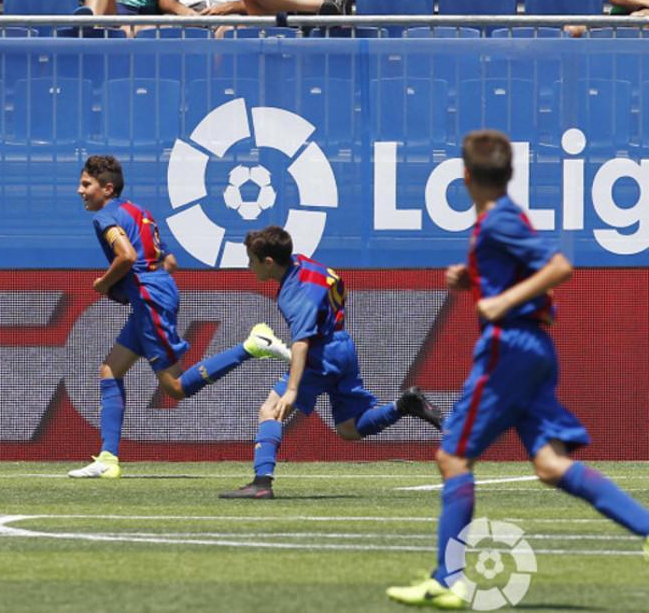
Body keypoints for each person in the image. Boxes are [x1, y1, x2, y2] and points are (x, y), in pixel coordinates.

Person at [386, 131, 649, 608]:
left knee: (453, 457)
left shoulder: (497, 221)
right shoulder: (499, 218)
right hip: (533, 347)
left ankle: (448, 580)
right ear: (508, 174)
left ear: (464, 177)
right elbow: (525, 265)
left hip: (509, 345)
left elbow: (558, 266)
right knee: (550, 465)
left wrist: (501, 299)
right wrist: (475, 278)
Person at [67, 155, 292, 479]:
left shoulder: (106, 217)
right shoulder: (139, 213)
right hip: (156, 293)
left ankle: (252, 346)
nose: (80, 190)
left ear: (107, 187)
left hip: (148, 300)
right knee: (110, 370)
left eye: (86, 184)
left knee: (174, 387)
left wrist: (105, 283)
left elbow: (127, 256)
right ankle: (108, 458)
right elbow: (169, 261)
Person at [217, 225, 444, 499]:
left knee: (270, 410)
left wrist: (291, 390)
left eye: (252, 261)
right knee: (349, 427)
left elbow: (301, 343)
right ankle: (404, 405)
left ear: (268, 262)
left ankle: (261, 483)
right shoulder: (303, 262)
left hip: (320, 354)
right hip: (343, 345)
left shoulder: (293, 295)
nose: (249, 267)